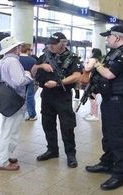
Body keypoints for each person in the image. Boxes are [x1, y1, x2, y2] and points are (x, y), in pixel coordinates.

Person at [85, 25, 123, 190]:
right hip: (110, 100)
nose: (106, 39)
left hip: (120, 102)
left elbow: (110, 74)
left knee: (118, 137)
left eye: (108, 37)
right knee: (108, 134)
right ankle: (107, 162)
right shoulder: (113, 53)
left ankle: (119, 174)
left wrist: (96, 65)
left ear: (117, 37)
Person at [31, 32, 81, 168]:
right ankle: (52, 150)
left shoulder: (72, 58)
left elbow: (77, 76)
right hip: (47, 95)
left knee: (67, 126)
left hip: (62, 95)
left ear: (63, 43)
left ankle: (71, 154)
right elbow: (33, 71)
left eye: (54, 43)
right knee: (48, 124)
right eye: (49, 43)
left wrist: (59, 83)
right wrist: (41, 66)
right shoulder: (44, 55)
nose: (51, 46)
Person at [0, 37, 32, 171]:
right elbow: (19, 81)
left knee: (7, 130)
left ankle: (4, 155)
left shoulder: (2, 61)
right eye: (18, 46)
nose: (20, 48)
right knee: (10, 132)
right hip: (15, 100)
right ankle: (1, 161)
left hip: (7, 100)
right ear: (14, 48)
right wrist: (28, 75)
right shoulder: (13, 62)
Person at [19, 43, 37, 121]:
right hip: (29, 80)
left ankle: (19, 114)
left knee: (19, 97)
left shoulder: (16, 59)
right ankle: (31, 114)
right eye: (31, 50)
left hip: (18, 80)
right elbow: (35, 73)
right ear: (27, 50)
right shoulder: (33, 60)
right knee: (30, 97)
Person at [83, 48, 103, 121]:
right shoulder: (99, 60)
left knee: (92, 98)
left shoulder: (93, 59)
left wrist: (86, 62)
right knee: (93, 97)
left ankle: (94, 115)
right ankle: (92, 113)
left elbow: (87, 68)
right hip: (97, 80)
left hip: (93, 81)